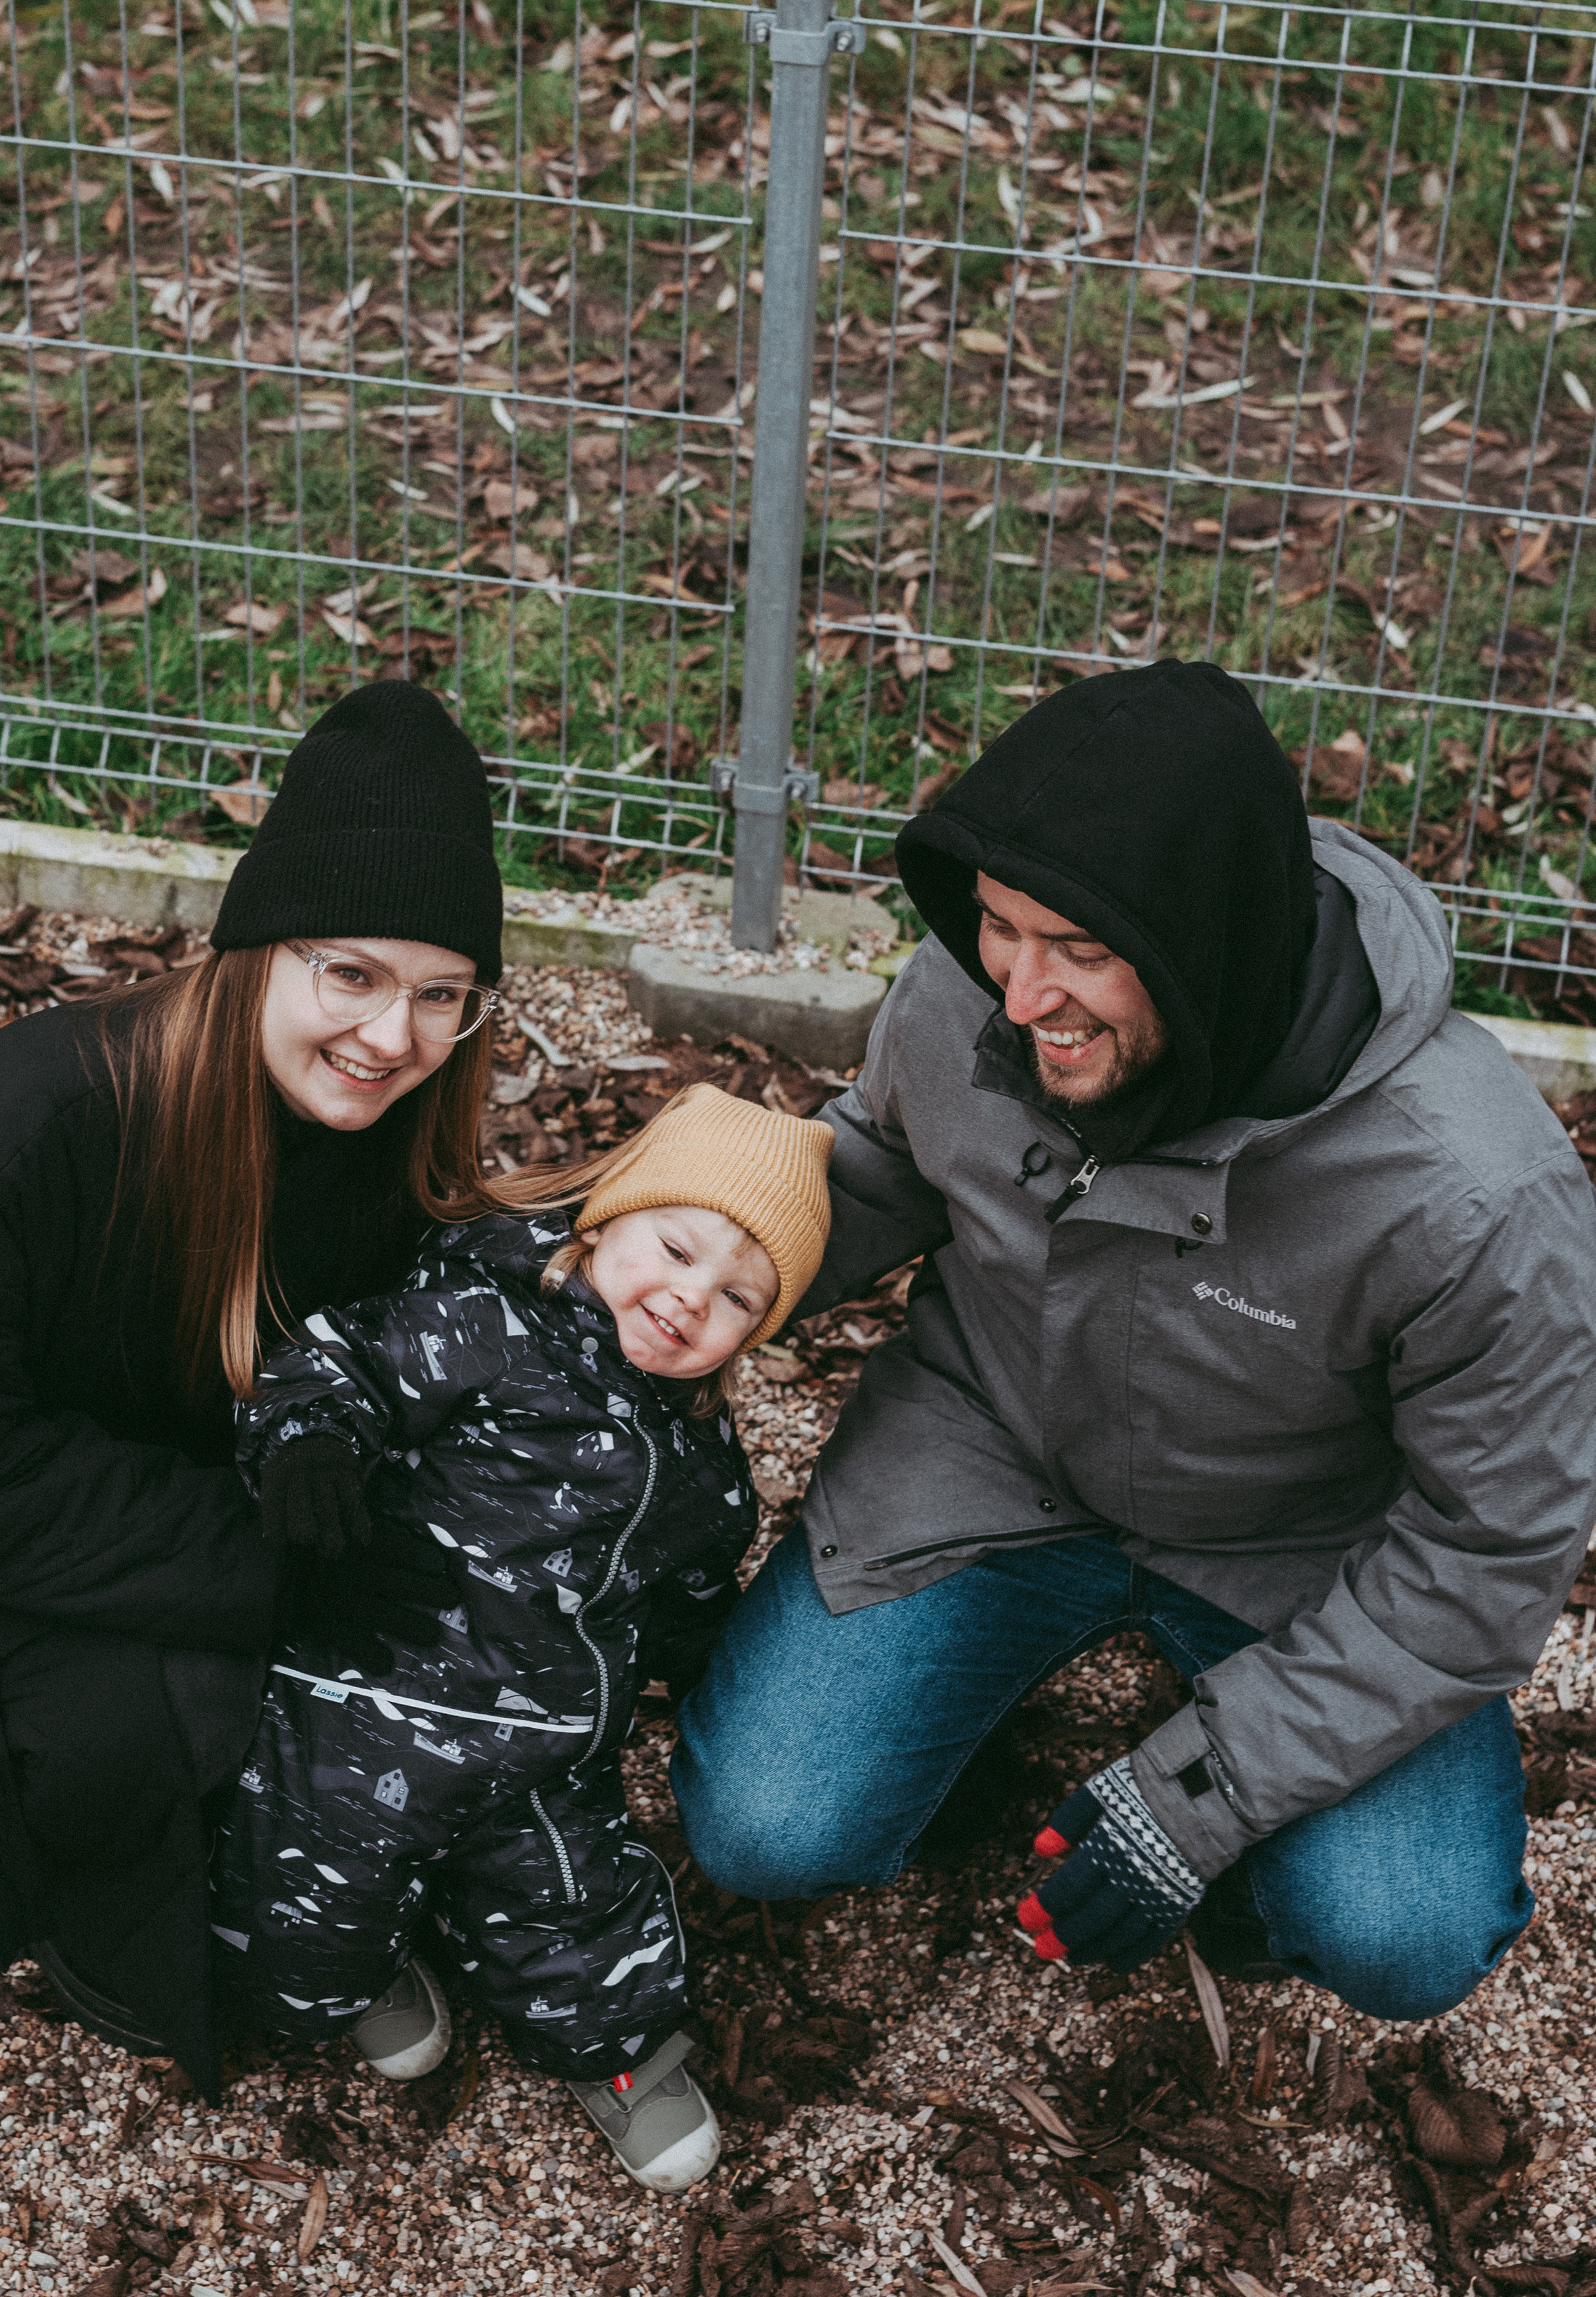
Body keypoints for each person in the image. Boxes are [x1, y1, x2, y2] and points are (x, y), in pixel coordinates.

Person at [672, 660, 1596, 2016]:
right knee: (768, 1828)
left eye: (1083, 954)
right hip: (992, 1447)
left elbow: (1488, 1550)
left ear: (1205, 953)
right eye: (999, 927)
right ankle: (966, 1721)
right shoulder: (969, 995)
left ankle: (1249, 1888)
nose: (1021, 994)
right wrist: (679, 1253)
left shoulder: (1474, 1196)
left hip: (1299, 1550)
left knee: (1402, 1934)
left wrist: (1204, 1798)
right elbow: (881, 1163)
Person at [0, 681, 506, 2093]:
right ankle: (215, 1931)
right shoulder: (24, 1125)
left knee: (445, 1627)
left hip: (156, 1475)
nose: (392, 1037)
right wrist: (258, 1564)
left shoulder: (382, 1130)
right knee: (166, 1725)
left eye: (441, 996)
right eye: (350, 976)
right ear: (257, 953)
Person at [213, 1082, 832, 2192]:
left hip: (547, 1754)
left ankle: (623, 2057)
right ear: (603, 1224)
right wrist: (308, 1444)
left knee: (585, 1914)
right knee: (302, 1934)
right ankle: (366, 1967)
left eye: (739, 1297)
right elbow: (334, 1361)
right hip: (371, 1704)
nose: (692, 1299)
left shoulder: (703, 1469)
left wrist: (703, 1651)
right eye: (675, 1249)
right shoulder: (486, 1328)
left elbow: (692, 1585)